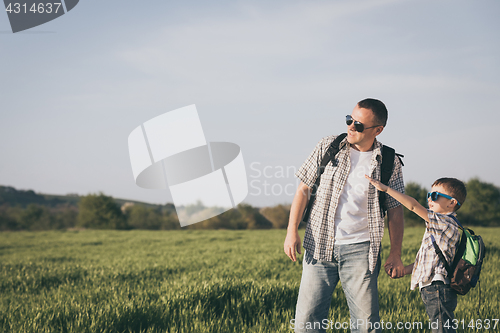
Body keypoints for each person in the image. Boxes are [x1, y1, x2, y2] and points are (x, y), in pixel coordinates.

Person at [284, 98, 405, 333]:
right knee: (306, 325)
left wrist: (396, 253)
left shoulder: (389, 161)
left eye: (359, 125)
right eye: (350, 120)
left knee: (366, 327)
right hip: (319, 245)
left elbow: (396, 210)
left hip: (362, 251)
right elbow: (303, 189)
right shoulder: (328, 146)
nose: (351, 127)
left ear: (378, 130)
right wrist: (291, 231)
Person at [365, 176, 466, 333]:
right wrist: (405, 270)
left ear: (452, 202)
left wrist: (386, 189)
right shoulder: (440, 226)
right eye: (429, 195)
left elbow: (412, 206)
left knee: (441, 329)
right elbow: (430, 261)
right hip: (434, 287)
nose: (429, 199)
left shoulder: (444, 223)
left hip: (438, 287)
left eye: (435, 196)